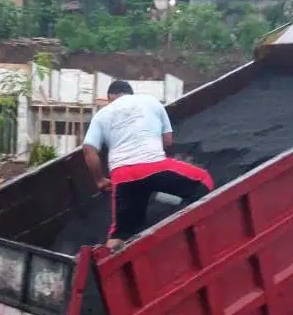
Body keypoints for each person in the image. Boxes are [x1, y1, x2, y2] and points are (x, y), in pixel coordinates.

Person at [81, 79, 214, 250]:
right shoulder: (150, 101)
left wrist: (99, 180)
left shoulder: (101, 115)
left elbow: (88, 149)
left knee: (119, 234)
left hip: (122, 176)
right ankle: (186, 231)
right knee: (204, 180)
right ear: (131, 93)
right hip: (154, 166)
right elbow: (167, 141)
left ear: (109, 98)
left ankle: (107, 266)